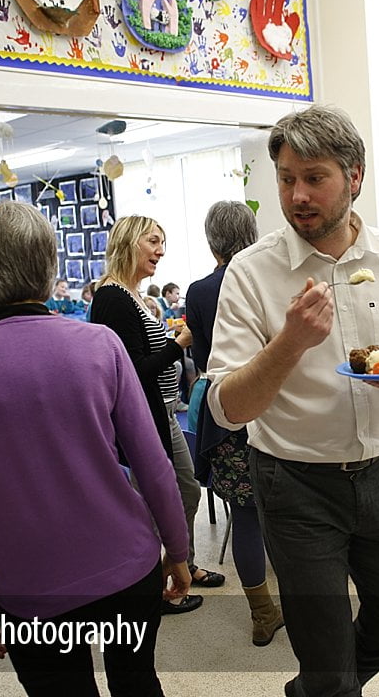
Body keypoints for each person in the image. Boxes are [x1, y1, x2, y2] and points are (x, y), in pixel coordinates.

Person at [206, 105, 379, 696]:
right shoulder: (250, 273)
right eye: (286, 179)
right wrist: (290, 343)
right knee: (327, 660)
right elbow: (226, 408)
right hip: (294, 482)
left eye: (314, 178)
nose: (297, 195)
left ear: (354, 176)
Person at [0, 202, 192, 696]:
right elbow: (154, 466)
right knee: (137, 684)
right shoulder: (100, 345)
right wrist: (178, 549)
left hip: (30, 585)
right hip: (127, 566)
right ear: (52, 269)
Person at [90, 216, 224, 615]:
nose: (160, 251)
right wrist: (178, 343)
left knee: (185, 489)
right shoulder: (112, 297)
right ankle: (154, 585)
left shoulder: (128, 294)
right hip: (145, 418)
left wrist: (168, 342)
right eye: (153, 241)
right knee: (160, 500)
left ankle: (180, 563)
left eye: (163, 242)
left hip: (162, 413)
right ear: (130, 242)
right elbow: (132, 371)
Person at [186, 200, 283, 647]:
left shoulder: (199, 291)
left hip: (224, 409)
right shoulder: (265, 277)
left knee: (245, 513)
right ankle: (307, 602)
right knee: (293, 508)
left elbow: (201, 355)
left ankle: (262, 611)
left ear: (211, 241)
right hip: (274, 404)